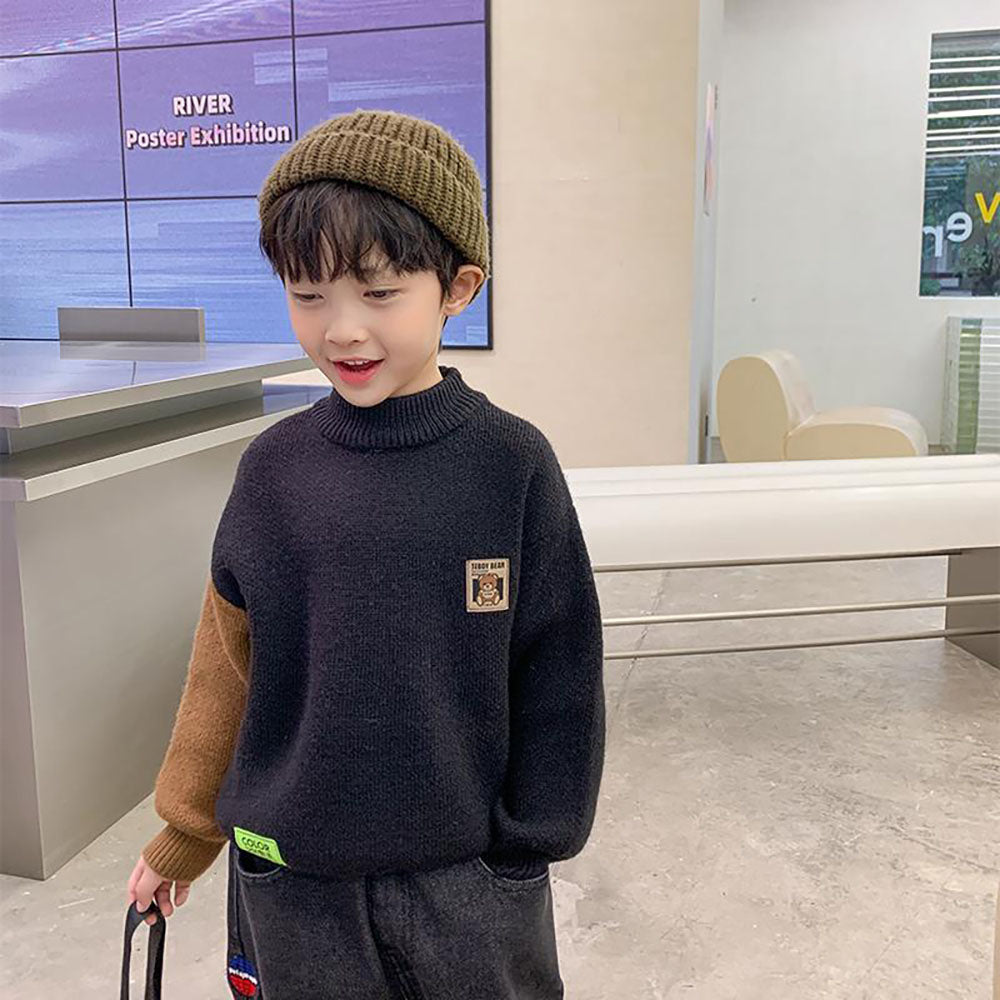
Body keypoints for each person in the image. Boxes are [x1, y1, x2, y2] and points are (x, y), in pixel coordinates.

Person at [126, 108, 606, 1000]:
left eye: (379, 293)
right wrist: (184, 835)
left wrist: (529, 843)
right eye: (309, 296)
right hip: (294, 882)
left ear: (458, 286)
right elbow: (224, 665)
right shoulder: (273, 468)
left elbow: (560, 664)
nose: (342, 330)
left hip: (468, 884)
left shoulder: (511, 464)